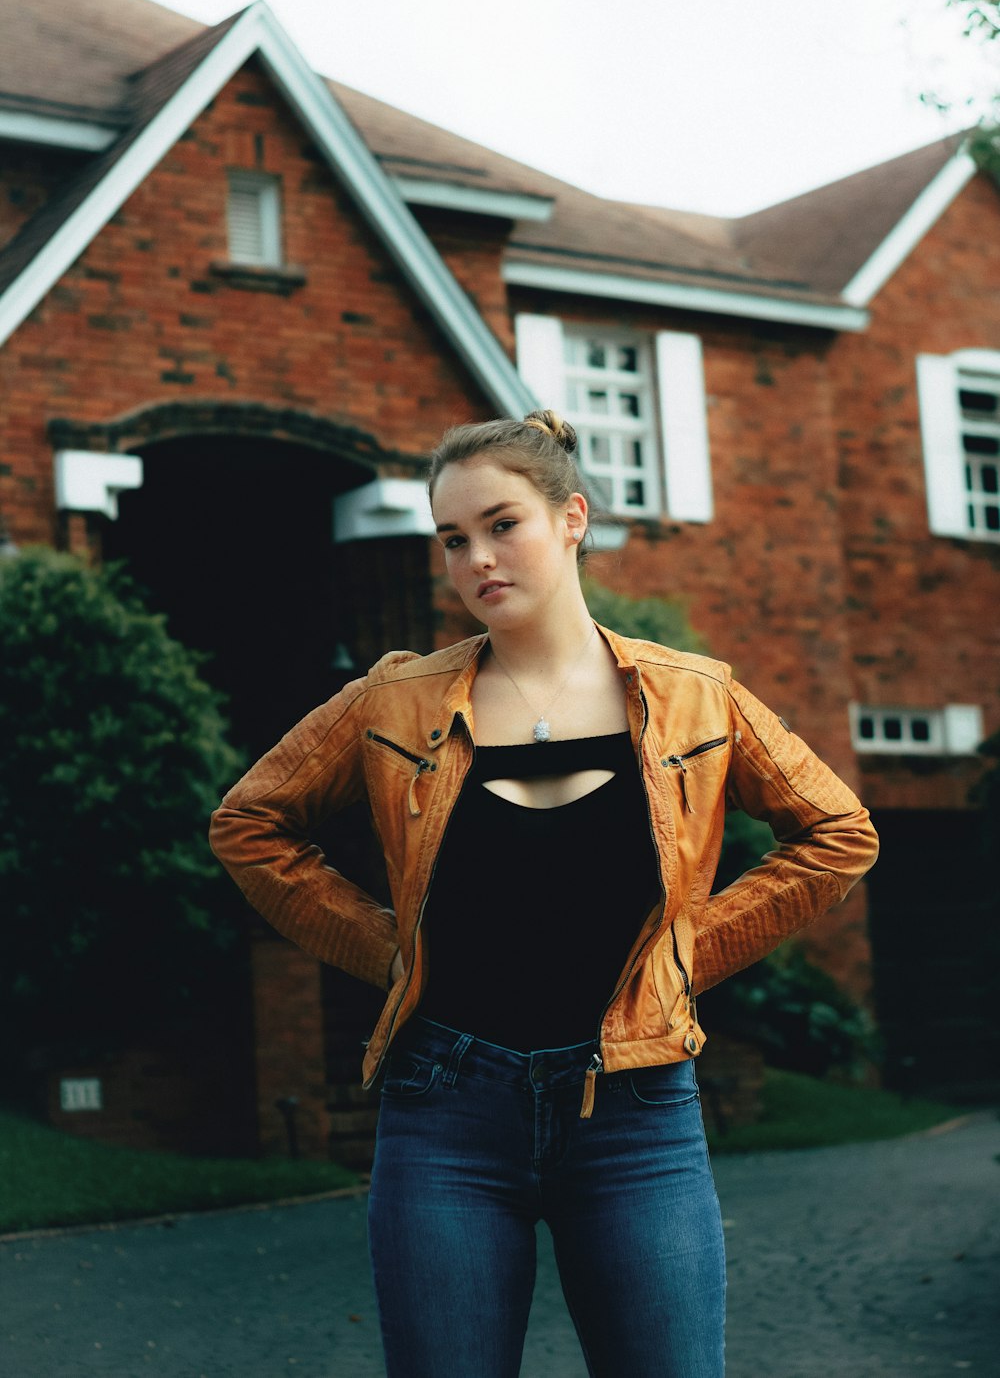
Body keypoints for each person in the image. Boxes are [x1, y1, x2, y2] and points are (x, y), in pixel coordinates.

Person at [209, 409, 878, 1378]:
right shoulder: (394, 700)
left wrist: (688, 951)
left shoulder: (694, 696)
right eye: (451, 539)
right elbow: (249, 825)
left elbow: (837, 834)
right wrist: (390, 953)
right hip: (444, 1112)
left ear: (571, 518)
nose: (476, 556)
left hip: (637, 1113)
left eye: (500, 524)